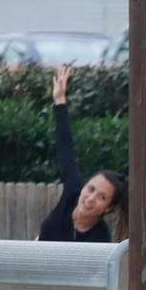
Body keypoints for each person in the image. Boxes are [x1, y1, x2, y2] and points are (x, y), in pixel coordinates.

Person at [38, 66, 126, 243]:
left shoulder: (100, 239)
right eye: (91, 189)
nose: (90, 198)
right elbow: (66, 151)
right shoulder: (73, 192)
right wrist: (60, 101)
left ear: (108, 209)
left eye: (101, 197)